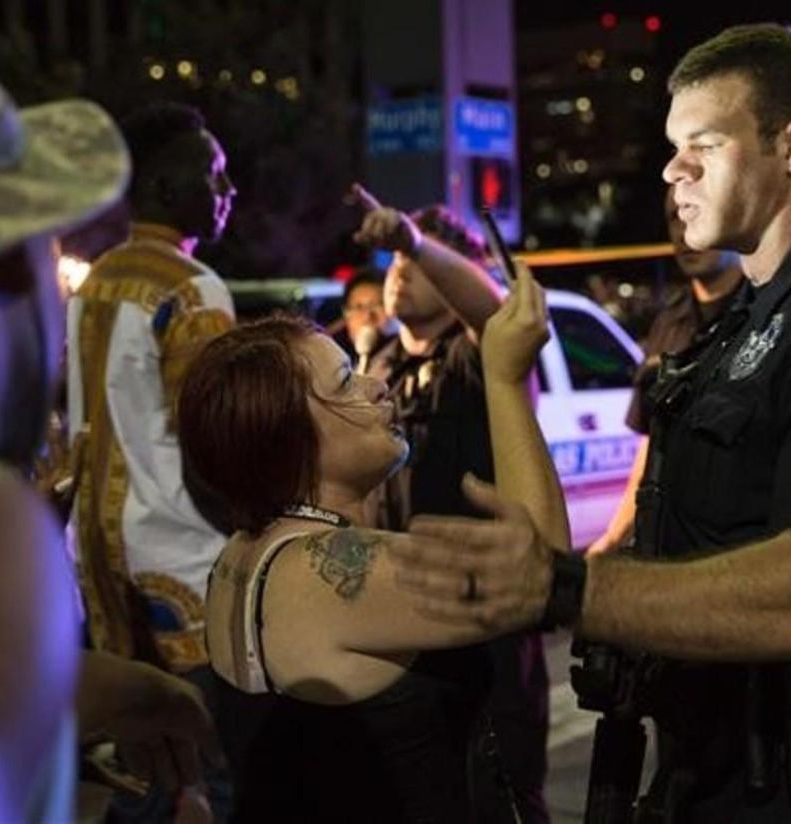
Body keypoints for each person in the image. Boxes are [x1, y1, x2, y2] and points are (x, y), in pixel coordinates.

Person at [386, 23, 791, 821]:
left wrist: (570, 589)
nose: (672, 170)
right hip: (711, 774)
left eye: (703, 143)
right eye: (671, 146)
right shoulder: (749, 319)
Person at [178, 264, 566, 821]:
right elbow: (543, 568)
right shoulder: (326, 571)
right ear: (288, 439)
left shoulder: (243, 553)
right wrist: (505, 378)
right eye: (343, 384)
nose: (375, 382)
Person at [0, 69, 222, 821]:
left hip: (103, 573)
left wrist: (85, 684)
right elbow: (215, 445)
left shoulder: (97, 288)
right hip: (191, 580)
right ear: (10, 270)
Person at [347, 189, 552, 824]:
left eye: (416, 262)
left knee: (496, 797)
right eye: (394, 263)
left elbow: (493, 316)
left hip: (482, 622)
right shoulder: (377, 364)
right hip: (399, 624)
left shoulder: (477, 358)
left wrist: (413, 239)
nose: (399, 272)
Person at [588, 186, 743, 556]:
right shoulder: (668, 326)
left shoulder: (768, 313)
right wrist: (612, 539)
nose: (683, 228)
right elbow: (650, 445)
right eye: (674, 216)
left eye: (695, 209)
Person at [333, 265, 392, 373]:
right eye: (359, 307)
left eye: (377, 305)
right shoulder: (335, 363)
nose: (367, 316)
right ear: (346, 314)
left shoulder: (403, 363)